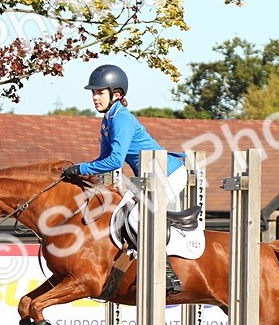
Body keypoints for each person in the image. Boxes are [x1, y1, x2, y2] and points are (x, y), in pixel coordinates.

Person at [61, 64, 188, 291]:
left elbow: (115, 162)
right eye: (93, 93)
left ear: (116, 94)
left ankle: (167, 272)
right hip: (149, 178)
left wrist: (79, 168)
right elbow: (102, 160)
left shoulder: (122, 118)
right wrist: (80, 176)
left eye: (99, 92)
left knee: (137, 217)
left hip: (169, 174)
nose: (95, 98)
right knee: (118, 211)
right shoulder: (108, 120)